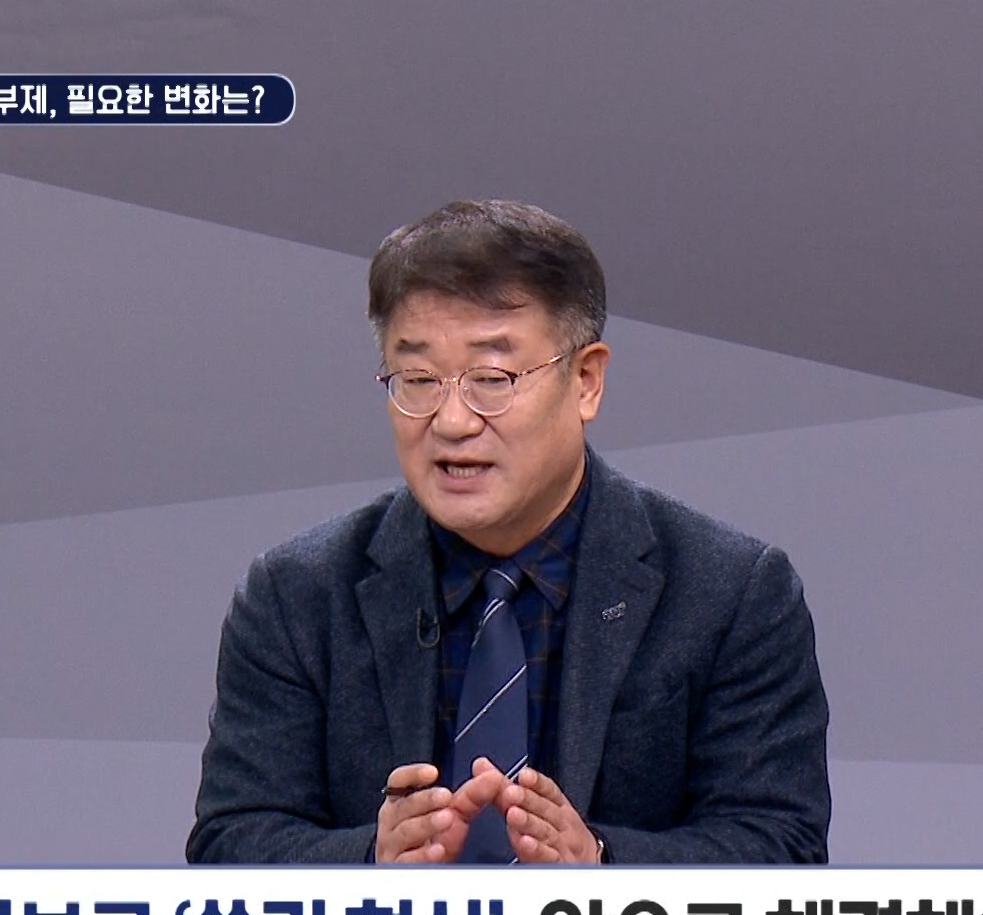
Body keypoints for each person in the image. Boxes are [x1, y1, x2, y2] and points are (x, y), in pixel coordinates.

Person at [187, 200, 829, 865]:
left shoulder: (731, 593)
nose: (452, 421)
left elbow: (780, 848)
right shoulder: (295, 596)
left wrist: (601, 868)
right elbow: (230, 844)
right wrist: (372, 863)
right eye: (418, 379)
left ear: (586, 380)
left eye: (492, 379)